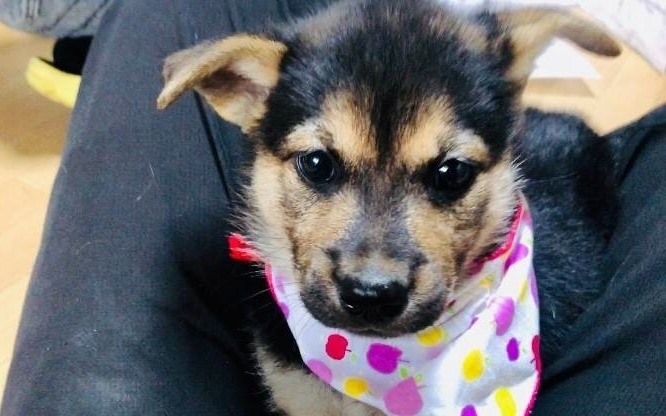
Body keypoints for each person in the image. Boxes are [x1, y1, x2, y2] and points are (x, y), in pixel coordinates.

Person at [1, 0, 665, 414]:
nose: (375, 269)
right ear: (241, 90)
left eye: (447, 175)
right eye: (319, 167)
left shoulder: (517, 313)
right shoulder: (279, 327)